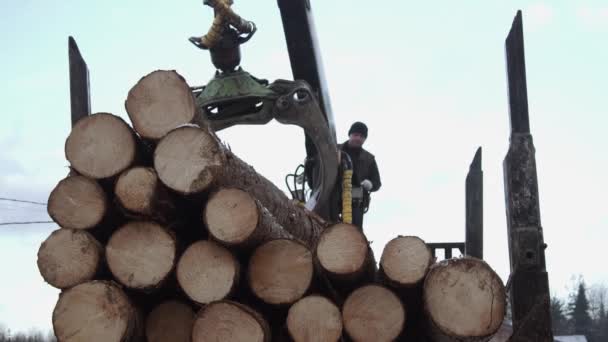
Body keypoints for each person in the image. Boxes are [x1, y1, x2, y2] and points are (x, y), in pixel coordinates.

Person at [339, 122, 381, 229]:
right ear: (350, 135)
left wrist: (370, 184)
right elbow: (319, 162)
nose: (358, 138)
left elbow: (377, 183)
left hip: (356, 195)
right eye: (356, 135)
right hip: (334, 191)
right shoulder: (334, 149)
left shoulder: (369, 159)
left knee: (355, 229)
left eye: (362, 136)